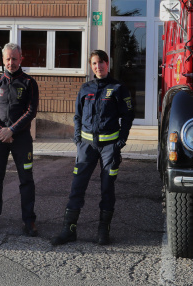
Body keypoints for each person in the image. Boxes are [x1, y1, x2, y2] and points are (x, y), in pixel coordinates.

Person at [51, 49, 134, 246]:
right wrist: (78, 138)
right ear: (91, 66)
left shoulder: (118, 88)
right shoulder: (85, 89)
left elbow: (128, 116)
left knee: (107, 188)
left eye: (102, 62)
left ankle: (103, 231)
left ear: (108, 63)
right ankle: (68, 230)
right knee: (77, 187)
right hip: (86, 148)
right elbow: (77, 116)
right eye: (95, 63)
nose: (99, 66)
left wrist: (121, 141)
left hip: (109, 148)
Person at [0, 43, 40, 237]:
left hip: (21, 139)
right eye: (7, 59)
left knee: (26, 180)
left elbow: (31, 111)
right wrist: (1, 131)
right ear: (2, 60)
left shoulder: (29, 83)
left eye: (14, 58)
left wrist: (12, 129)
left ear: (21, 59)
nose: (11, 62)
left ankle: (29, 220)